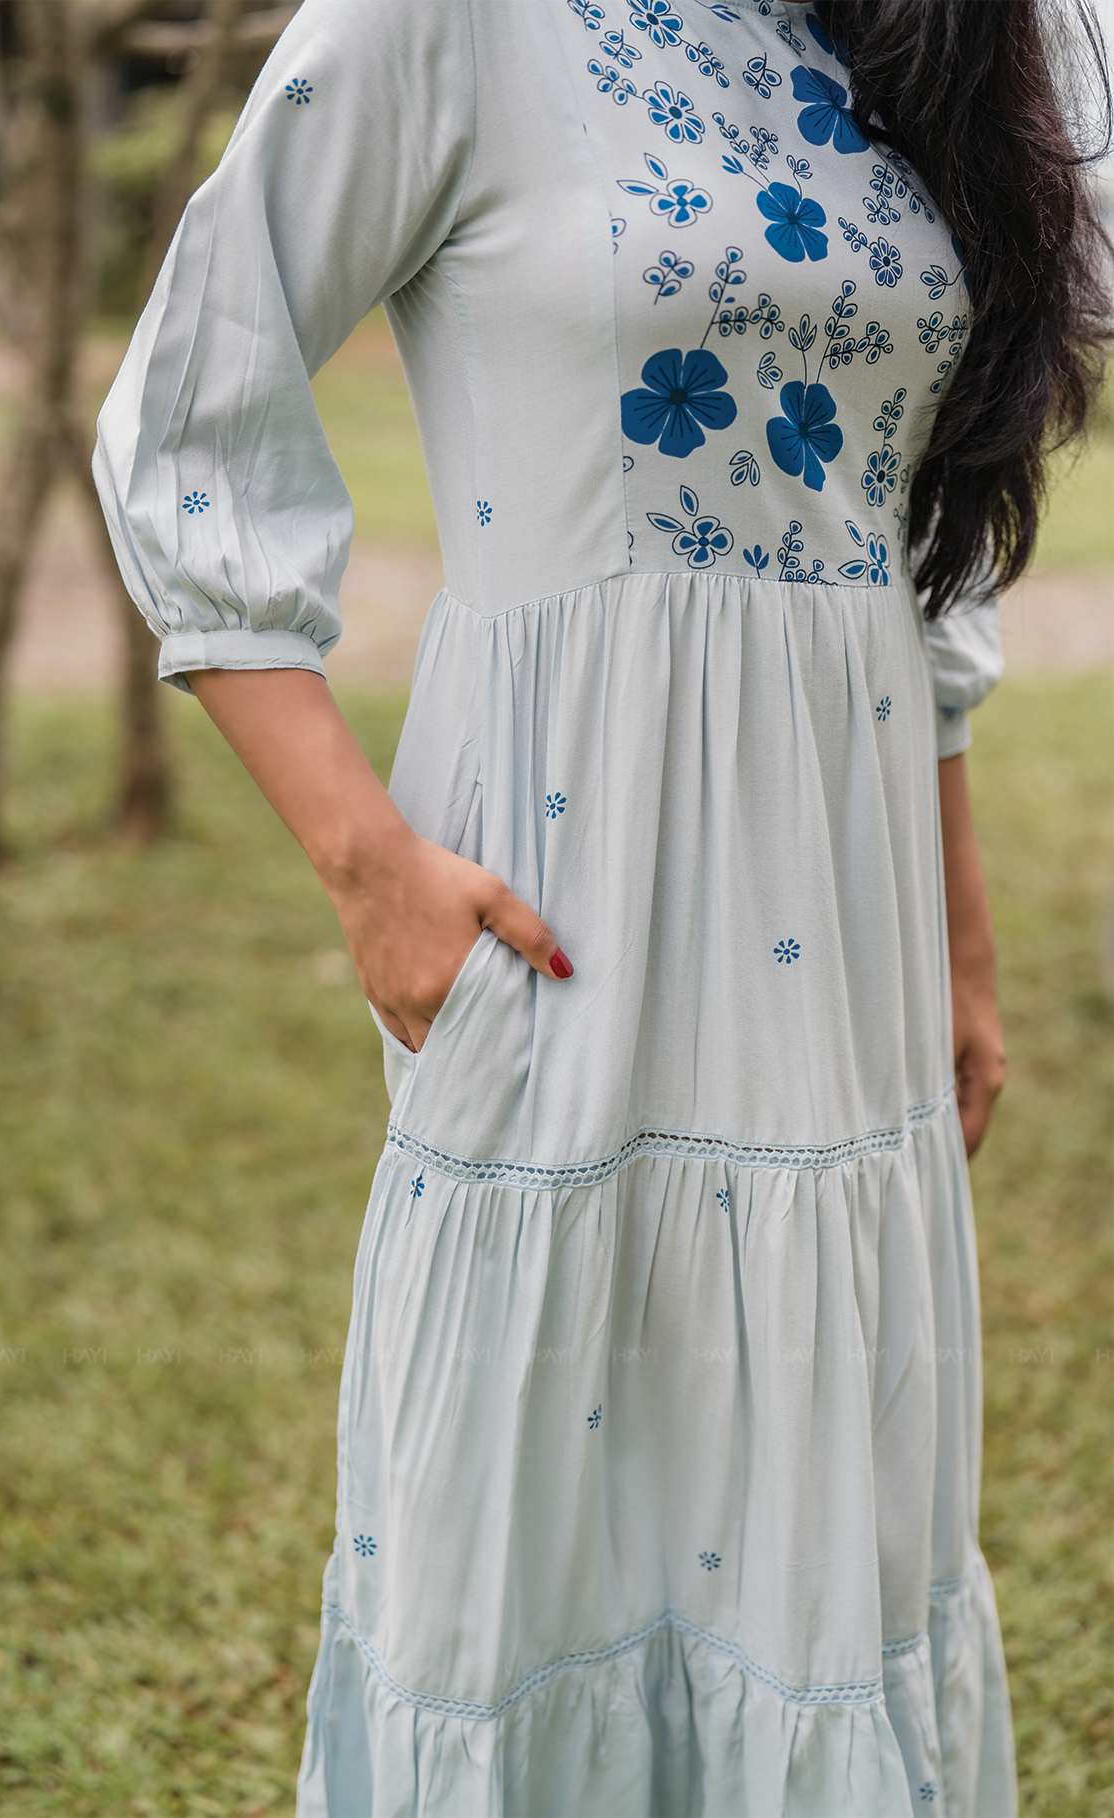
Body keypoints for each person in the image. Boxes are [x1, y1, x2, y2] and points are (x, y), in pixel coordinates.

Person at [93, 0, 1111, 1810]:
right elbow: (190, 406)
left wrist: (961, 945)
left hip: (848, 945)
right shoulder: (446, 22)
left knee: (818, 1506)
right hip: (569, 904)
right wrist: (366, 865)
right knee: (540, 1517)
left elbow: (917, 562)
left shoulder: (917, 44)